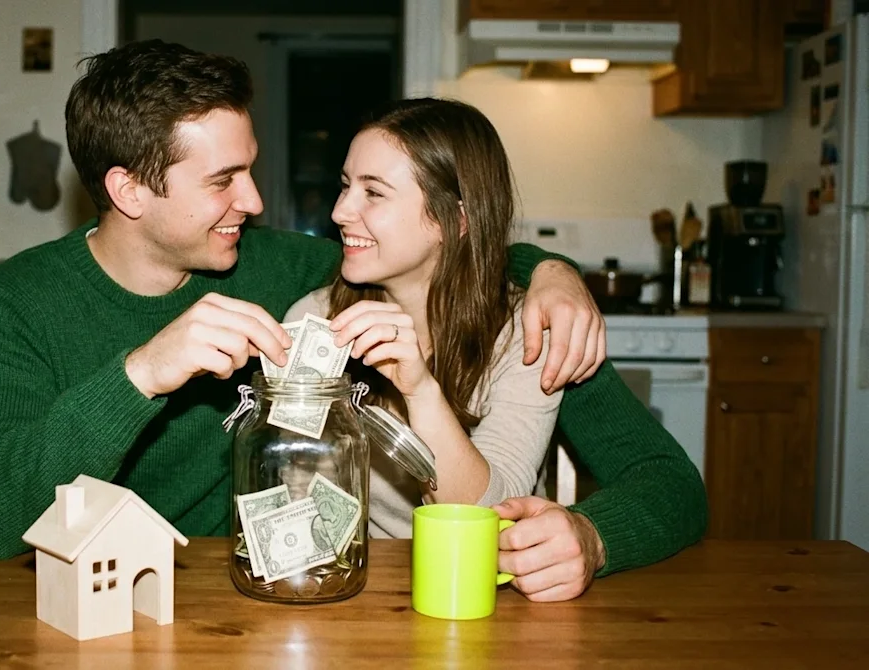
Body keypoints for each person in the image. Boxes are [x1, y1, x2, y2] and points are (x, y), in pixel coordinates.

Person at [0, 40, 607, 566]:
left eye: (250, 168)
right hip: (84, 596)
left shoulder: (271, 265)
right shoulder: (14, 301)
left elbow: (427, 255)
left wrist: (554, 271)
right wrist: (141, 373)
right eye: (223, 180)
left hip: (232, 585)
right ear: (129, 191)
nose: (256, 202)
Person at [288, 98, 707, 602]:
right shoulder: (313, 322)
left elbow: (484, 524)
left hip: (491, 600)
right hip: (363, 593)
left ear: (453, 220)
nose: (339, 212)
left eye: (374, 192)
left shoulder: (529, 332)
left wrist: (420, 391)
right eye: (345, 185)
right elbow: (294, 502)